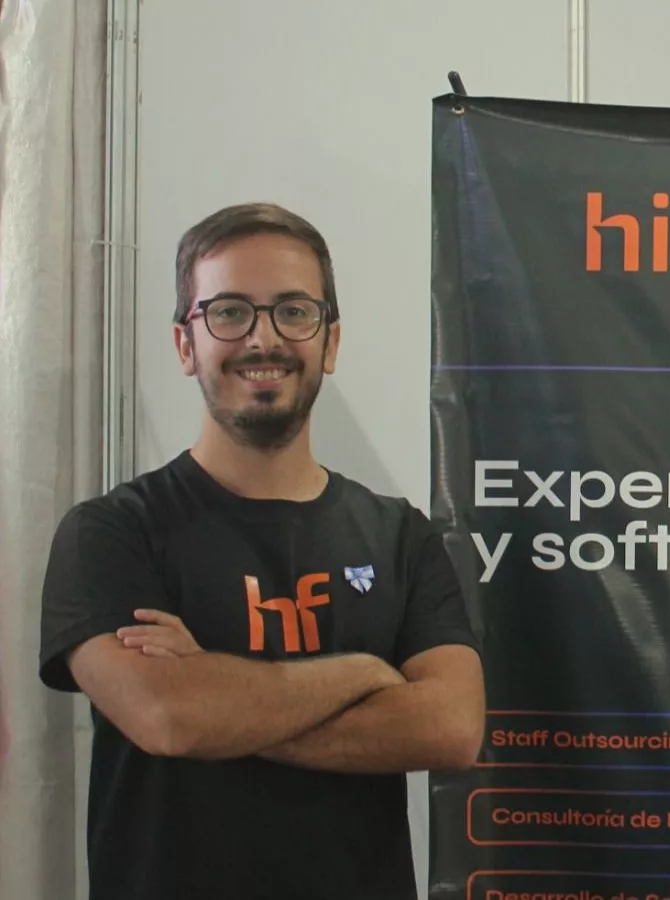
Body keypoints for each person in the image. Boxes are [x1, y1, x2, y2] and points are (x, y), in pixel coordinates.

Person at [37, 202, 486, 900]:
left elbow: (450, 728)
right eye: (229, 312)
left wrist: (217, 699)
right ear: (186, 345)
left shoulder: (402, 537)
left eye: (293, 311)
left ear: (329, 343)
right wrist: (363, 672)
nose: (263, 337)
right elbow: (167, 717)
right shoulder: (111, 533)